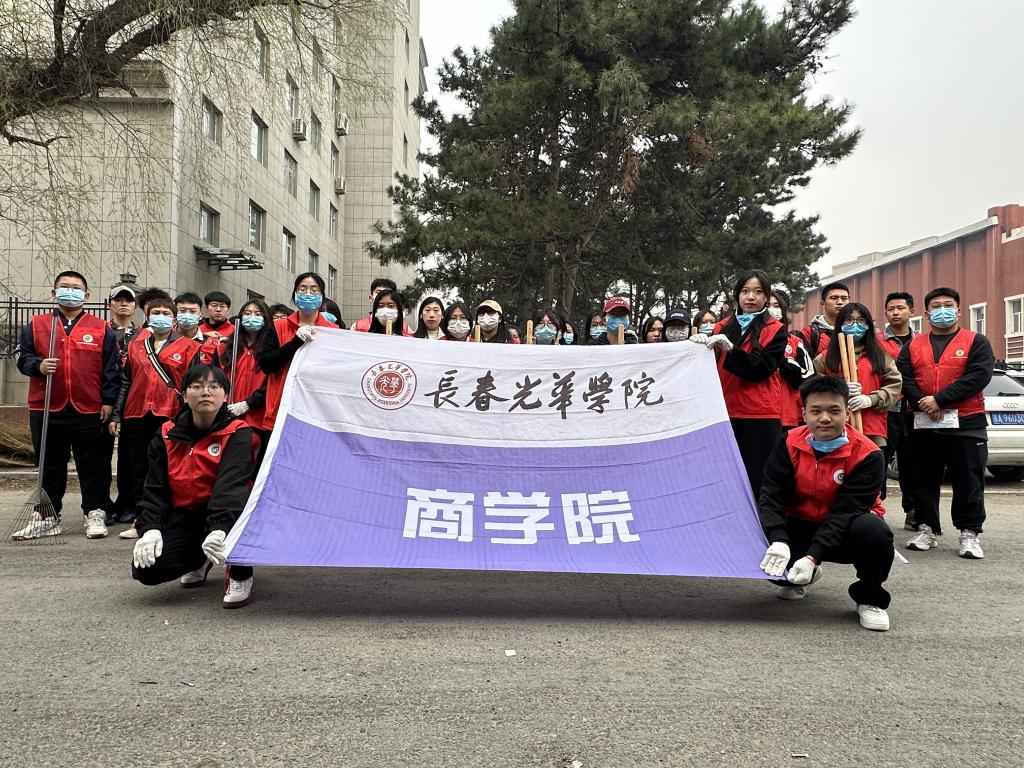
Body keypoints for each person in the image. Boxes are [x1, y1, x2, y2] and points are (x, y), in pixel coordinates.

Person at [757, 375, 894, 631]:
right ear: (803, 413)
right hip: (801, 524)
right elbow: (771, 495)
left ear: (847, 412)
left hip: (846, 531)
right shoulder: (788, 442)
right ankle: (797, 576)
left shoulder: (868, 454)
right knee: (758, 529)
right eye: (815, 411)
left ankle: (869, 597)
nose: (825, 418)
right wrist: (778, 540)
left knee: (874, 531)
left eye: (834, 411)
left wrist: (812, 557)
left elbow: (846, 511)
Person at [131, 365, 258, 608]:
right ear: (184, 394)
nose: (205, 393)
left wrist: (219, 527)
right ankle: (200, 558)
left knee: (241, 514)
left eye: (214, 387)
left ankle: (240, 573)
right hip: (185, 515)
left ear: (226, 395)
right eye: (197, 387)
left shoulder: (239, 432)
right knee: (147, 569)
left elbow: (230, 486)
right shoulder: (166, 434)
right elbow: (155, 488)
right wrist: (150, 528)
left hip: (230, 512)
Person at [12, 271, 120, 541]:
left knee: (93, 464)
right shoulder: (36, 325)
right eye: (64, 287)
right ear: (54, 292)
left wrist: (108, 401)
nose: (70, 292)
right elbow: (21, 357)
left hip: (89, 407)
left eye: (76, 288)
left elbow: (112, 369)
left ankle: (95, 512)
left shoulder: (101, 329)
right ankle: (47, 516)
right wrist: (37, 365)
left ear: (86, 295)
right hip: (47, 406)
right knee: (50, 463)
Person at [898, 287, 994, 559]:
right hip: (923, 422)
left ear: (959, 310)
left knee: (968, 480)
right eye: (936, 306)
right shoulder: (912, 345)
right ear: (927, 313)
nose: (943, 310)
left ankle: (969, 533)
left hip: (966, 423)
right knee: (923, 479)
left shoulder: (977, 341)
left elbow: (978, 376)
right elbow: (903, 377)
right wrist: (923, 403)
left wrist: (940, 400)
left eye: (948, 305)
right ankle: (926, 529)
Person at [109, 298, 203, 539]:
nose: (160, 316)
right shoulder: (135, 346)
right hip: (136, 413)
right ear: (147, 317)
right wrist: (117, 414)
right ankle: (142, 517)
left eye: (165, 313)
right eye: (156, 312)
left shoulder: (189, 347)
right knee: (138, 467)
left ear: (174, 318)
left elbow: (192, 384)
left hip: (169, 414)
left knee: (166, 466)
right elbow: (126, 381)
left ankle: (166, 515)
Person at [691, 270, 786, 497]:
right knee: (724, 474)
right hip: (724, 411)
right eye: (745, 291)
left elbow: (762, 368)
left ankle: (762, 519)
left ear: (767, 296)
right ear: (737, 295)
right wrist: (695, 347)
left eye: (758, 292)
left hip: (759, 414)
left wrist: (732, 350)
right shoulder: (720, 327)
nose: (750, 297)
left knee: (759, 477)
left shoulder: (776, 329)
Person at [814, 302, 901, 452]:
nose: (855, 325)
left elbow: (895, 385)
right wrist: (838, 388)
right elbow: (813, 386)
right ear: (840, 324)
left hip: (872, 428)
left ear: (868, 324)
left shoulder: (880, 356)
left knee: (871, 464)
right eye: (848, 320)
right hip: (836, 428)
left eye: (861, 320)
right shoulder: (825, 357)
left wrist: (871, 399)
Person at [258, 273, 336, 425]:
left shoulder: (333, 331)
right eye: (303, 289)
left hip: (317, 411)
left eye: (314, 290)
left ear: (322, 296)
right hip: (281, 408)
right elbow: (266, 365)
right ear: (295, 294)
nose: (308, 294)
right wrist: (295, 342)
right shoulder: (278, 326)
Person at [878, 291, 918, 530]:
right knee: (880, 461)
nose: (895, 313)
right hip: (885, 411)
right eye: (891, 309)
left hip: (914, 410)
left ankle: (913, 512)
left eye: (900, 308)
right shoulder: (876, 341)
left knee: (913, 463)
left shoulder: (922, 341)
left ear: (911, 311)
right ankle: (876, 509)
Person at [103, 284, 141, 525]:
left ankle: (129, 503)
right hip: (105, 400)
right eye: (118, 299)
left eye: (128, 300)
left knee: (129, 457)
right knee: (101, 456)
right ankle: (102, 505)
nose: (123, 303)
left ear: (135, 306)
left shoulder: (143, 334)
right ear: (110, 304)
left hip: (133, 401)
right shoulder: (102, 331)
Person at [222, 299, 273, 467]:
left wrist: (248, 403)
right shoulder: (227, 347)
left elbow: (273, 385)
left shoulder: (271, 349)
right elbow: (217, 378)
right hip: (227, 415)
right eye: (247, 313)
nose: (252, 317)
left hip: (258, 419)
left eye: (258, 314)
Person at [770, 291, 813, 432]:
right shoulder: (750, 341)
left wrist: (787, 363)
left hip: (788, 416)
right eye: (768, 305)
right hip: (757, 414)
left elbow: (809, 376)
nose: (772, 310)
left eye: (776, 306)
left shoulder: (795, 342)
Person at [799, 282, 850, 357]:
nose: (840, 302)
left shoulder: (857, 330)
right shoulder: (809, 333)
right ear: (823, 304)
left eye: (844, 298)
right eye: (834, 298)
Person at [174, 292, 221, 365]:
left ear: (200, 315)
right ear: (175, 313)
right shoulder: (165, 339)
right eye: (182, 311)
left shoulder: (211, 343)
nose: (187, 315)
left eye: (192, 311)